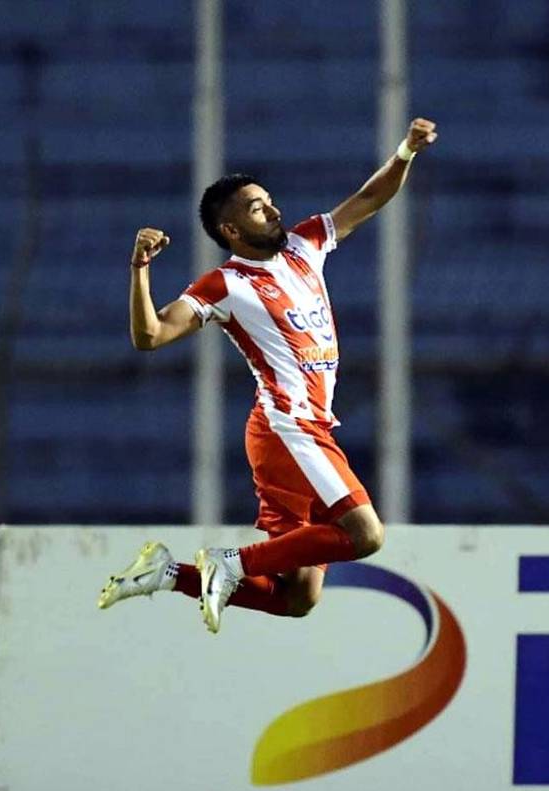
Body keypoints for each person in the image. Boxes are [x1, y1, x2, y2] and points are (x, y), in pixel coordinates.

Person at [98, 118, 438, 634]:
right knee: (366, 534)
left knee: (298, 597)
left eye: (269, 200)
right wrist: (139, 270)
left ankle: (169, 573)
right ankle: (229, 562)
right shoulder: (226, 284)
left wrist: (406, 151)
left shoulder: (305, 246)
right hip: (289, 427)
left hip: (294, 428)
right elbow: (150, 336)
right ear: (232, 231)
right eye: (258, 208)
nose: (274, 210)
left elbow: (369, 198)